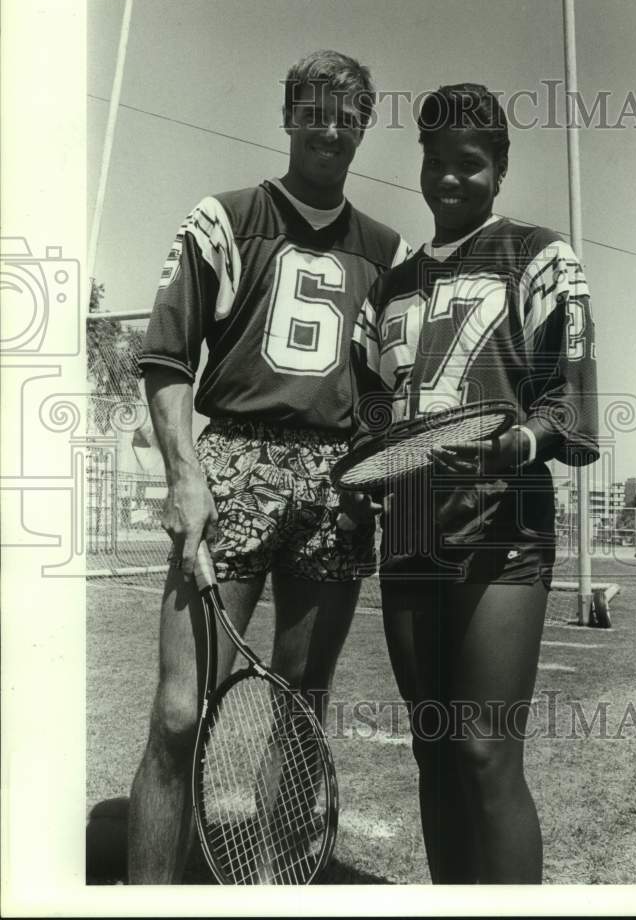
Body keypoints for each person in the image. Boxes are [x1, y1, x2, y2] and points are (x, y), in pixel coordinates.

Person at [128, 49, 409, 883]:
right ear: (288, 113)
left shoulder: (387, 252)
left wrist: (374, 478)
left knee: (300, 708)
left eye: (350, 112)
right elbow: (167, 359)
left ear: (365, 125)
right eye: (316, 109)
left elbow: (386, 389)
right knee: (181, 714)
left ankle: (276, 890)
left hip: (335, 481)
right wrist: (186, 479)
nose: (331, 127)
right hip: (236, 460)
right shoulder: (225, 216)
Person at [346, 84, 599, 883]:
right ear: (420, 163)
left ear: (500, 169)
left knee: (485, 751)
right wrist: (361, 471)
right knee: (433, 751)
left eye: (472, 165)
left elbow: (574, 400)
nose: (452, 180)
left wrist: (519, 441)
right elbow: (369, 415)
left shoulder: (540, 254)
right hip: (412, 535)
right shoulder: (389, 288)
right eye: (438, 162)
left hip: (503, 529)